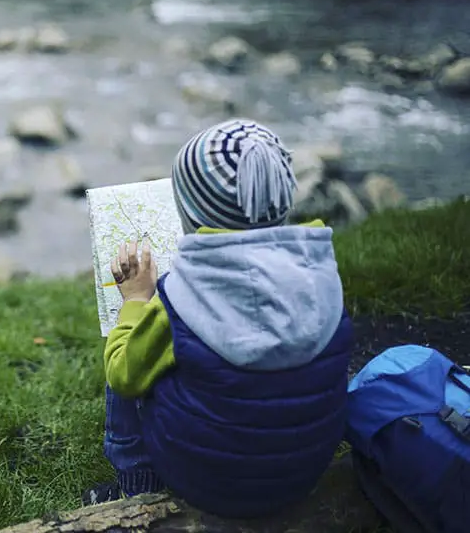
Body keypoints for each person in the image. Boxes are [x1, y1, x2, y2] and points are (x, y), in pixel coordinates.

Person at [83, 119, 354, 518]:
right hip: (302, 473)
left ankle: (136, 486)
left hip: (208, 483)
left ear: (190, 214)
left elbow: (123, 376)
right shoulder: (320, 274)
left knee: (125, 349)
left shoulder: (178, 299)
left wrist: (138, 299)